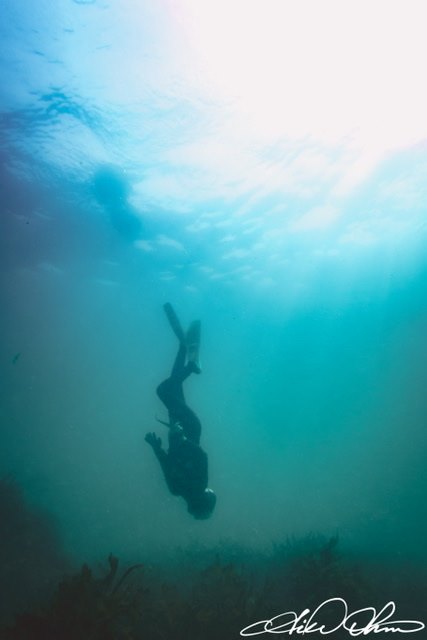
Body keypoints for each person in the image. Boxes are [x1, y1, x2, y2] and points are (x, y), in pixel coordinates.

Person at [145, 303, 217, 520]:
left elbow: (165, 464)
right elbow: (201, 455)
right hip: (188, 428)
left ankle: (183, 348)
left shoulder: (176, 489)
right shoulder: (196, 484)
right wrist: (183, 439)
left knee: (173, 387)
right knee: (164, 390)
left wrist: (155, 446)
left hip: (176, 429)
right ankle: (191, 367)